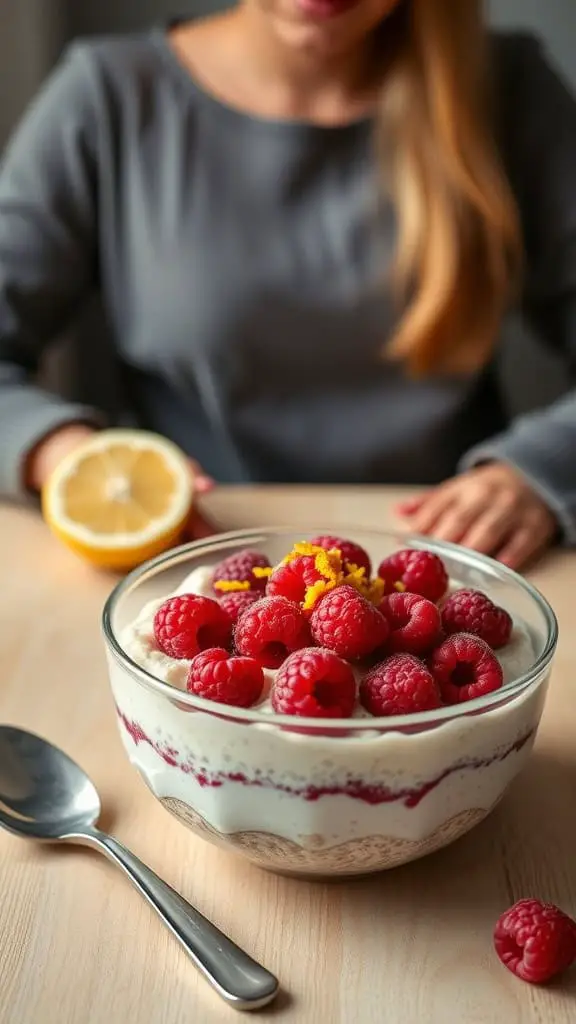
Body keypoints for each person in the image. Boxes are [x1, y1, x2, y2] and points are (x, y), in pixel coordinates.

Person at [1, 0, 575, 568]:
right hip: (188, 562)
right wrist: (66, 456)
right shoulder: (108, 95)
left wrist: (540, 468)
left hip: (454, 565)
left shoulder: (510, 89)